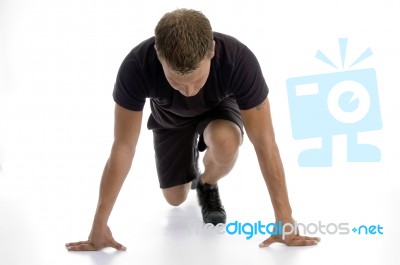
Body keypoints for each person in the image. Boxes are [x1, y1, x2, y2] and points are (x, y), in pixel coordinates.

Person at [65, 8, 320, 251]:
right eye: (177, 82)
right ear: (159, 55)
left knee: (226, 142)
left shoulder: (239, 61)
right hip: (169, 119)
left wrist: (285, 220)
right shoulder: (136, 66)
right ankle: (189, 156)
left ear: (211, 50)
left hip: (218, 111)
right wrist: (99, 224)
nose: (189, 91)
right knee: (175, 199)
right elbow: (123, 146)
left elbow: (265, 142)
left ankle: (208, 183)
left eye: (197, 80)